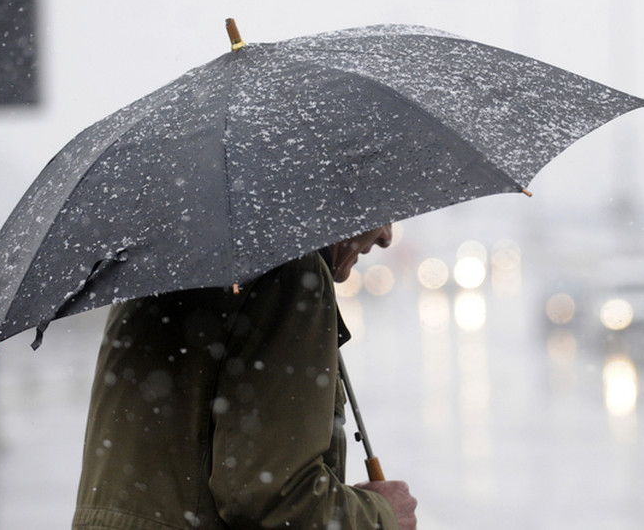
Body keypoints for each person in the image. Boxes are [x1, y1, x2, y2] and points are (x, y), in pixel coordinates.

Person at [73, 225, 418, 529]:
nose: (387, 235)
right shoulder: (289, 270)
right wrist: (382, 517)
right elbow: (269, 496)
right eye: (380, 217)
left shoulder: (161, 265)